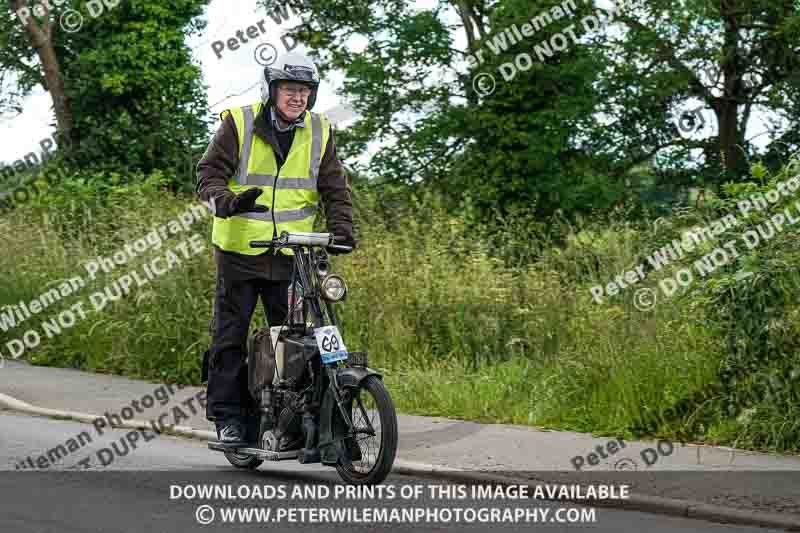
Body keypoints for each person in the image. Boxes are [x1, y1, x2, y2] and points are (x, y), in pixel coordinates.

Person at [196, 51, 356, 448]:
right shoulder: (239, 123)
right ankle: (229, 418)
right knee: (230, 336)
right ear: (273, 91)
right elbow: (207, 177)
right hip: (240, 252)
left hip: (291, 257)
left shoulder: (319, 131)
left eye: (304, 91)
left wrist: (342, 229)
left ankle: (287, 423)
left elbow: (334, 188)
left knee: (295, 341)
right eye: (289, 89)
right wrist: (230, 202)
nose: (297, 97)